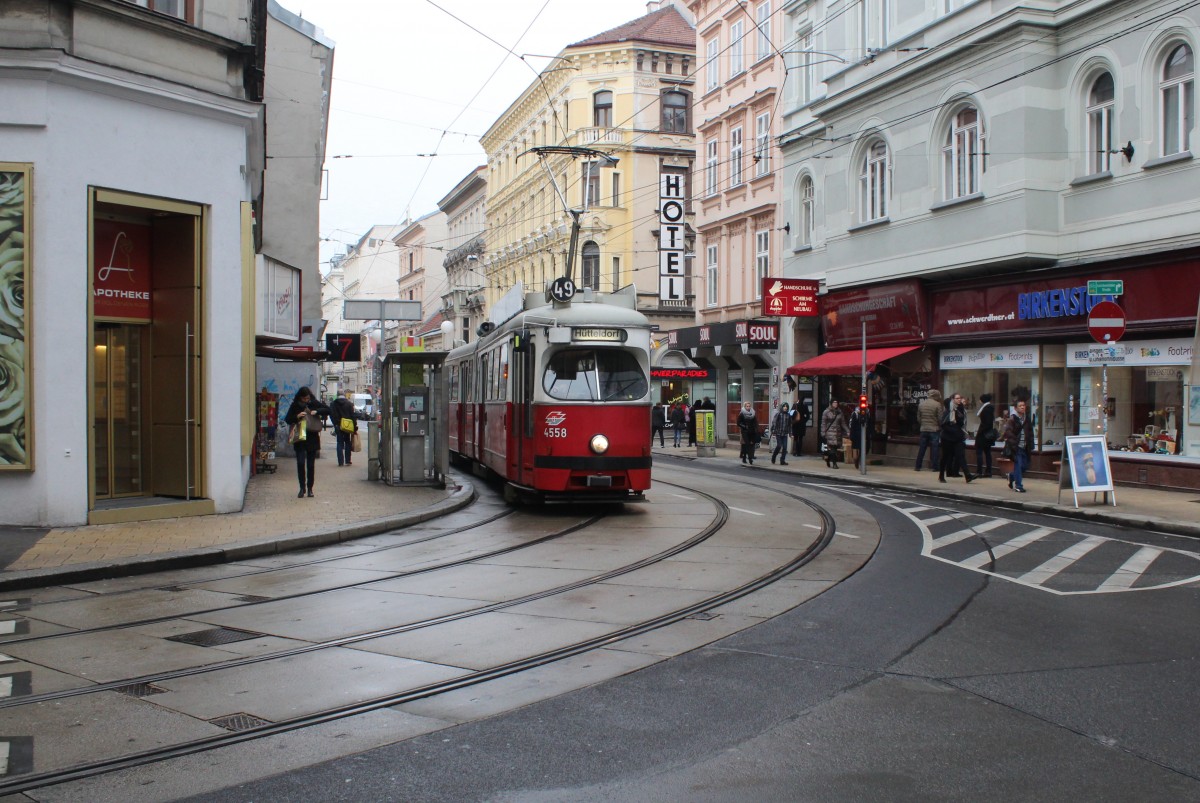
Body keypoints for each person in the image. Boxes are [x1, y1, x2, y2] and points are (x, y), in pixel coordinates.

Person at [284, 386, 330, 498]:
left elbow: (328, 409)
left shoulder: (313, 403)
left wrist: (316, 411)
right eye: (304, 399)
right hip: (300, 437)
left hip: (312, 437)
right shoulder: (295, 405)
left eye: (307, 398)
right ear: (300, 397)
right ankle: (301, 488)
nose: (306, 400)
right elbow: (288, 419)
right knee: (300, 463)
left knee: (310, 465)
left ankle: (310, 488)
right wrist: (297, 416)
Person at [938, 393, 975, 483]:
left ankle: (968, 475)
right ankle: (941, 475)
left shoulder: (960, 409)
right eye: (957, 398)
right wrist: (953, 430)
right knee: (945, 457)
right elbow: (943, 424)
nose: (959, 400)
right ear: (953, 399)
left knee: (961, 456)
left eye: (960, 398)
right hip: (947, 438)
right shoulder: (948, 411)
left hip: (958, 437)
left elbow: (961, 423)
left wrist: (961, 410)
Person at [1003, 399, 1035, 493]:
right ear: (1016, 408)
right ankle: (1019, 486)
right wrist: (1014, 444)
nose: (1022, 407)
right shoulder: (1012, 419)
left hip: (1025, 446)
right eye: (1020, 406)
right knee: (1018, 465)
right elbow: (1008, 432)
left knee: (1025, 466)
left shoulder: (1027, 418)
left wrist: (1031, 443)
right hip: (1016, 447)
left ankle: (1011, 476)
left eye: (1023, 405)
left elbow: (1030, 432)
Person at [914, 389, 943, 471]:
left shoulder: (921, 404)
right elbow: (940, 418)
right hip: (934, 429)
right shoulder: (937, 404)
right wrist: (939, 426)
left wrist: (923, 424)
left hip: (923, 429)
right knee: (935, 448)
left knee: (922, 448)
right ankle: (935, 466)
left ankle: (918, 466)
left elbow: (918, 418)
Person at [330, 390, 358, 467]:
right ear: (344, 395)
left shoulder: (333, 404)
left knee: (339, 442)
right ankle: (348, 460)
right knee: (347, 442)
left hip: (338, 425)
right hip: (347, 426)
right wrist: (355, 428)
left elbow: (331, 415)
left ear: (337, 395)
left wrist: (335, 423)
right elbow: (353, 416)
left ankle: (340, 462)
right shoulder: (349, 404)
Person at [820, 399, 849, 469]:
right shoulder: (826, 412)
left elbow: (843, 423)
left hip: (837, 433)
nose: (835, 404)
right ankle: (834, 464)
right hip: (829, 432)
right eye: (834, 402)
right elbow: (823, 423)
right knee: (832, 448)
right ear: (831, 403)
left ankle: (828, 459)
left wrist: (847, 430)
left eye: (836, 402)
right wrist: (823, 432)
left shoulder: (840, 412)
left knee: (835, 449)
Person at [974, 393, 996, 477]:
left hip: (983, 434)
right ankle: (988, 471)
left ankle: (980, 471)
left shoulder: (986, 409)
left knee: (980, 452)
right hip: (987, 434)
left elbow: (987, 423)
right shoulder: (989, 407)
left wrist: (980, 432)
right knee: (987, 452)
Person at [848, 402, 870, 469]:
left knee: (865, 449)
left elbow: (869, 423)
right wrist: (852, 435)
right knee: (858, 448)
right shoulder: (855, 413)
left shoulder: (868, 412)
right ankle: (858, 461)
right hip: (857, 434)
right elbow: (852, 425)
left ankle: (859, 460)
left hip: (865, 434)